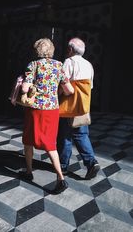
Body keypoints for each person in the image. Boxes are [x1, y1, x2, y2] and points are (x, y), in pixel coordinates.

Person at [19, 38, 74, 194]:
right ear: (51, 50)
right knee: (50, 143)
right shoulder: (59, 65)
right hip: (52, 109)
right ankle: (60, 178)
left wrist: (24, 84)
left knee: (28, 140)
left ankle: (29, 172)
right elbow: (70, 90)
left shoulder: (33, 65)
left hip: (35, 109)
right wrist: (56, 92)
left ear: (37, 50)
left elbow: (25, 87)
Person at [57, 37, 100, 179]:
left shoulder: (68, 62)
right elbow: (90, 87)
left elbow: (64, 84)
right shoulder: (89, 64)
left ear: (70, 49)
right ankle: (91, 162)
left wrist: (58, 94)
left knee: (65, 136)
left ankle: (63, 166)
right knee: (81, 135)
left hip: (69, 107)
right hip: (82, 107)